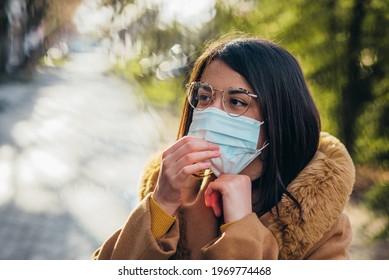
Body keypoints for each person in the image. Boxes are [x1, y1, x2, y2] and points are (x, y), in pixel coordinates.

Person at [92, 35, 355, 260]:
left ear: (279, 116)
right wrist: (161, 204)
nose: (211, 112)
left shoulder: (320, 220)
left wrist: (240, 226)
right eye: (205, 97)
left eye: (237, 102)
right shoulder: (178, 187)